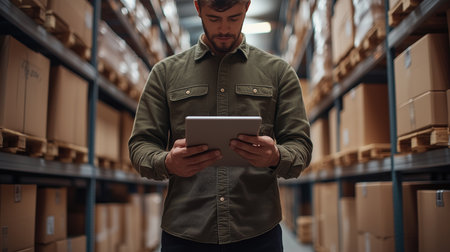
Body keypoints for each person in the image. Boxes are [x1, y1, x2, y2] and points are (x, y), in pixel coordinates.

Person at [128, 0, 312, 251]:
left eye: (234, 18)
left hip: (258, 233)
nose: (224, 28)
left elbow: (301, 146)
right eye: (214, 18)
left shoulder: (279, 73)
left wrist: (276, 155)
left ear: (247, 6)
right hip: (186, 233)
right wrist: (167, 162)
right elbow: (140, 145)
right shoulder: (165, 74)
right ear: (197, 8)